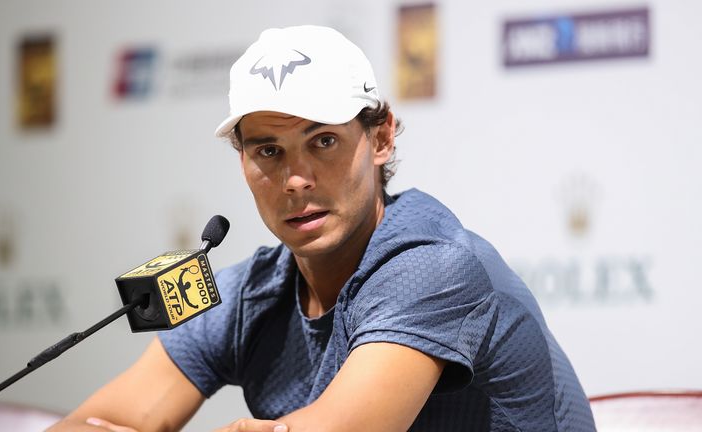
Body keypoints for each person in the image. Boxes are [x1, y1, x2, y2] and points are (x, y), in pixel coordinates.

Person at [49, 25, 595, 432]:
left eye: (323, 142)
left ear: (381, 138)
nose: (295, 180)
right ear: (242, 162)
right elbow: (89, 424)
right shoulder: (251, 293)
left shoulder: (433, 264)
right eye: (269, 150)